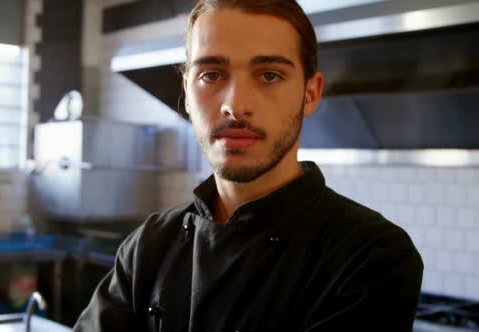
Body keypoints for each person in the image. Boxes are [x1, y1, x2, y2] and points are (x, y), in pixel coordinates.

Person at [74, 0, 423, 331]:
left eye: (269, 75)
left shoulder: (370, 256)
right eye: (211, 75)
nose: (235, 105)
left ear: (310, 93)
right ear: (186, 92)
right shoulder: (148, 247)